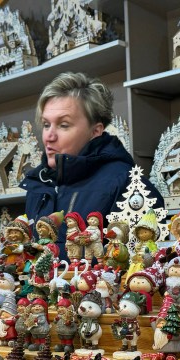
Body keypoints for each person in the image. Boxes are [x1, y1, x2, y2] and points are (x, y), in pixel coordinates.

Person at [22, 72, 162, 250]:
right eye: (46, 124)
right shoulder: (38, 183)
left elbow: (142, 260)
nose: (49, 136)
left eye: (64, 125)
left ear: (95, 131)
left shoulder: (127, 184)